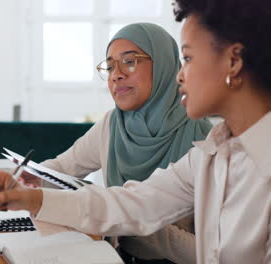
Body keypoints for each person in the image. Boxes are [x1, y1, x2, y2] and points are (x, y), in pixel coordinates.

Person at [0, 0, 271, 263]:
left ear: (233, 62)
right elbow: (132, 203)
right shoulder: (211, 152)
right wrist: (30, 198)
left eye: (189, 58)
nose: (180, 74)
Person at [23, 22, 212, 264]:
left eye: (130, 61)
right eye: (110, 67)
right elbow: (62, 168)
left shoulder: (206, 142)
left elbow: (215, 253)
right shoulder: (113, 124)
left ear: (164, 64)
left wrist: (131, 221)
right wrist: (27, 178)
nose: (117, 74)